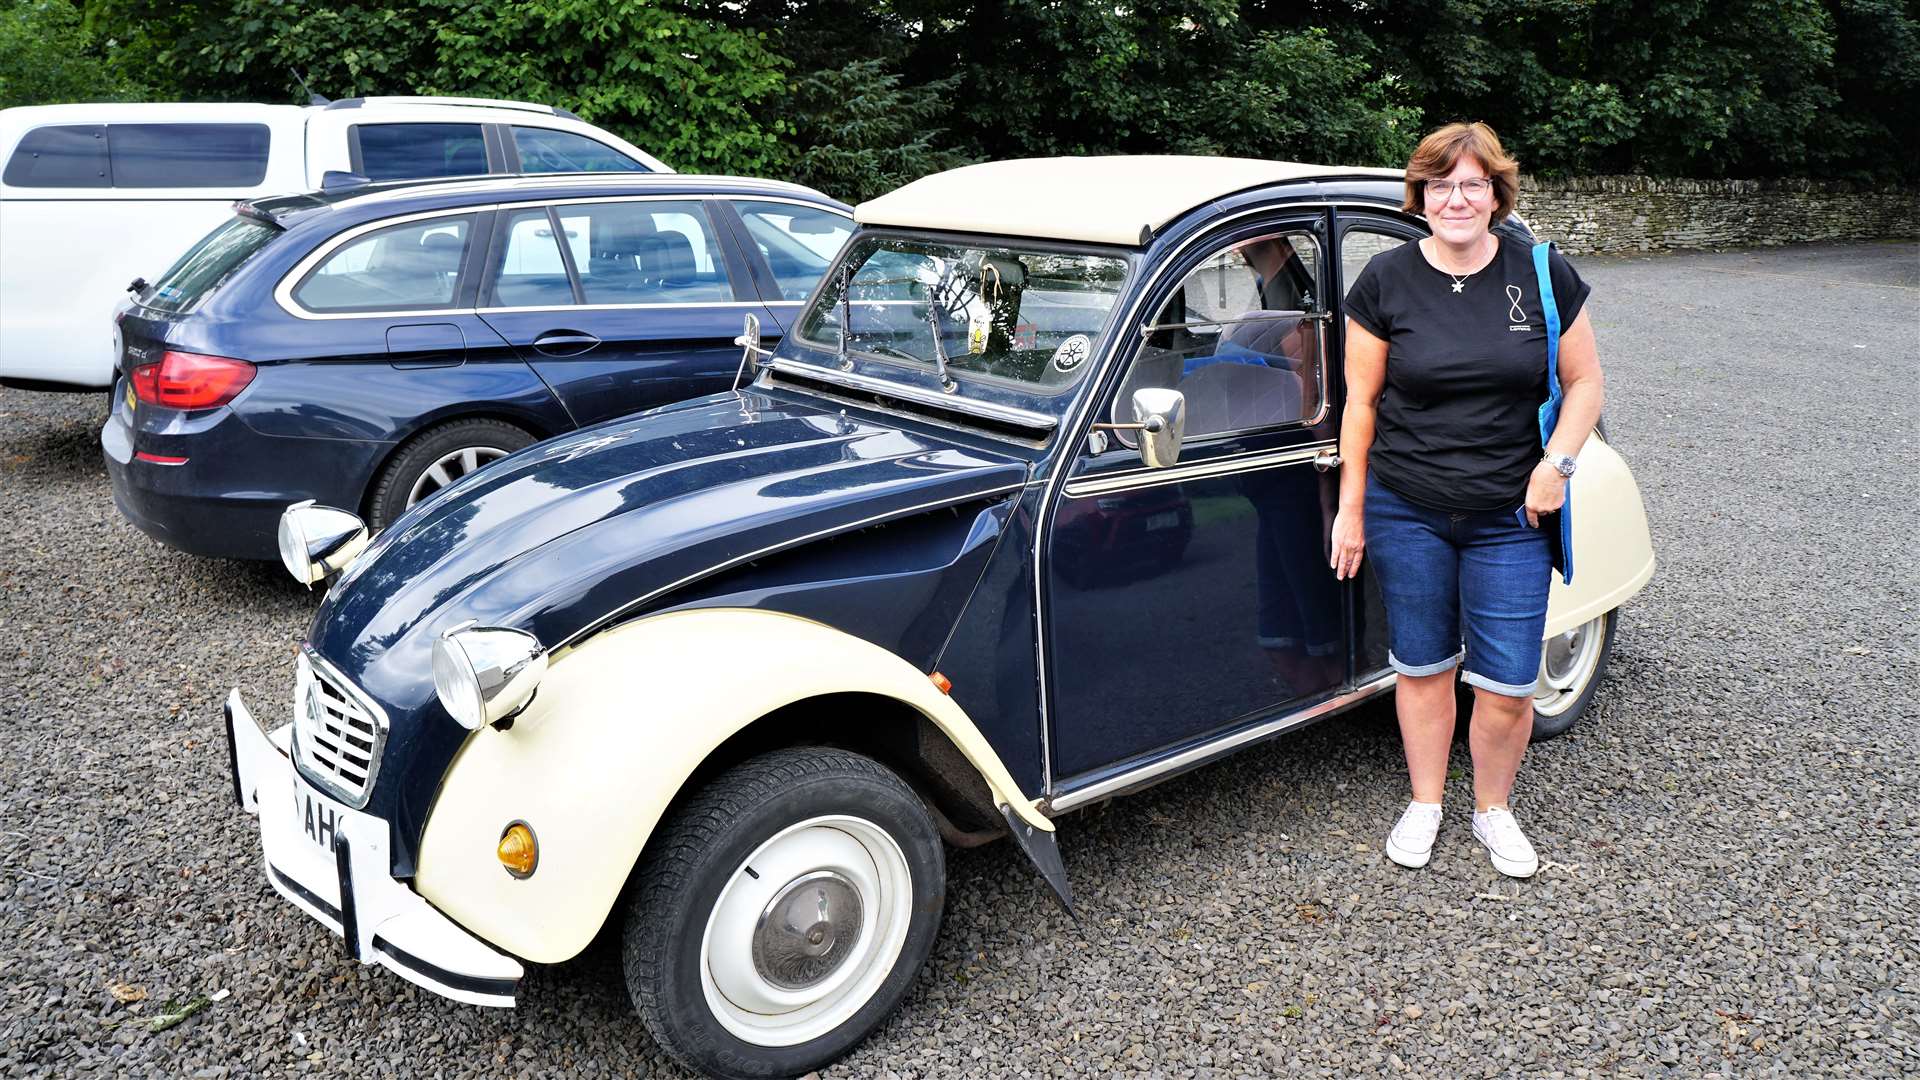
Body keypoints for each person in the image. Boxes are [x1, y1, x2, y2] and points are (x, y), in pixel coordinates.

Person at [1329, 122, 1605, 878]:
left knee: (1511, 683)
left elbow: (1585, 384)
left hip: (1513, 516)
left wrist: (1559, 465)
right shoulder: (1384, 280)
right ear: (1420, 196)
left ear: (1496, 194)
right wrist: (1352, 508)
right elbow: (1362, 403)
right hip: (1405, 507)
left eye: (1473, 183)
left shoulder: (1542, 273)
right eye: (1442, 184)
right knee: (1421, 667)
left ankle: (1493, 809)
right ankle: (1426, 803)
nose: (1458, 197)